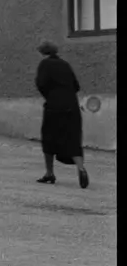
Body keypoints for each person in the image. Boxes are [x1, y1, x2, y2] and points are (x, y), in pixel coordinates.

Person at [34, 42, 89, 188]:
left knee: (49, 138)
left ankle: (49, 173)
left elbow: (41, 84)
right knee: (73, 138)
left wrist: (50, 96)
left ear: (42, 52)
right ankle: (81, 169)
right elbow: (76, 86)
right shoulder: (65, 64)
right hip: (72, 106)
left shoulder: (44, 64)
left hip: (54, 106)